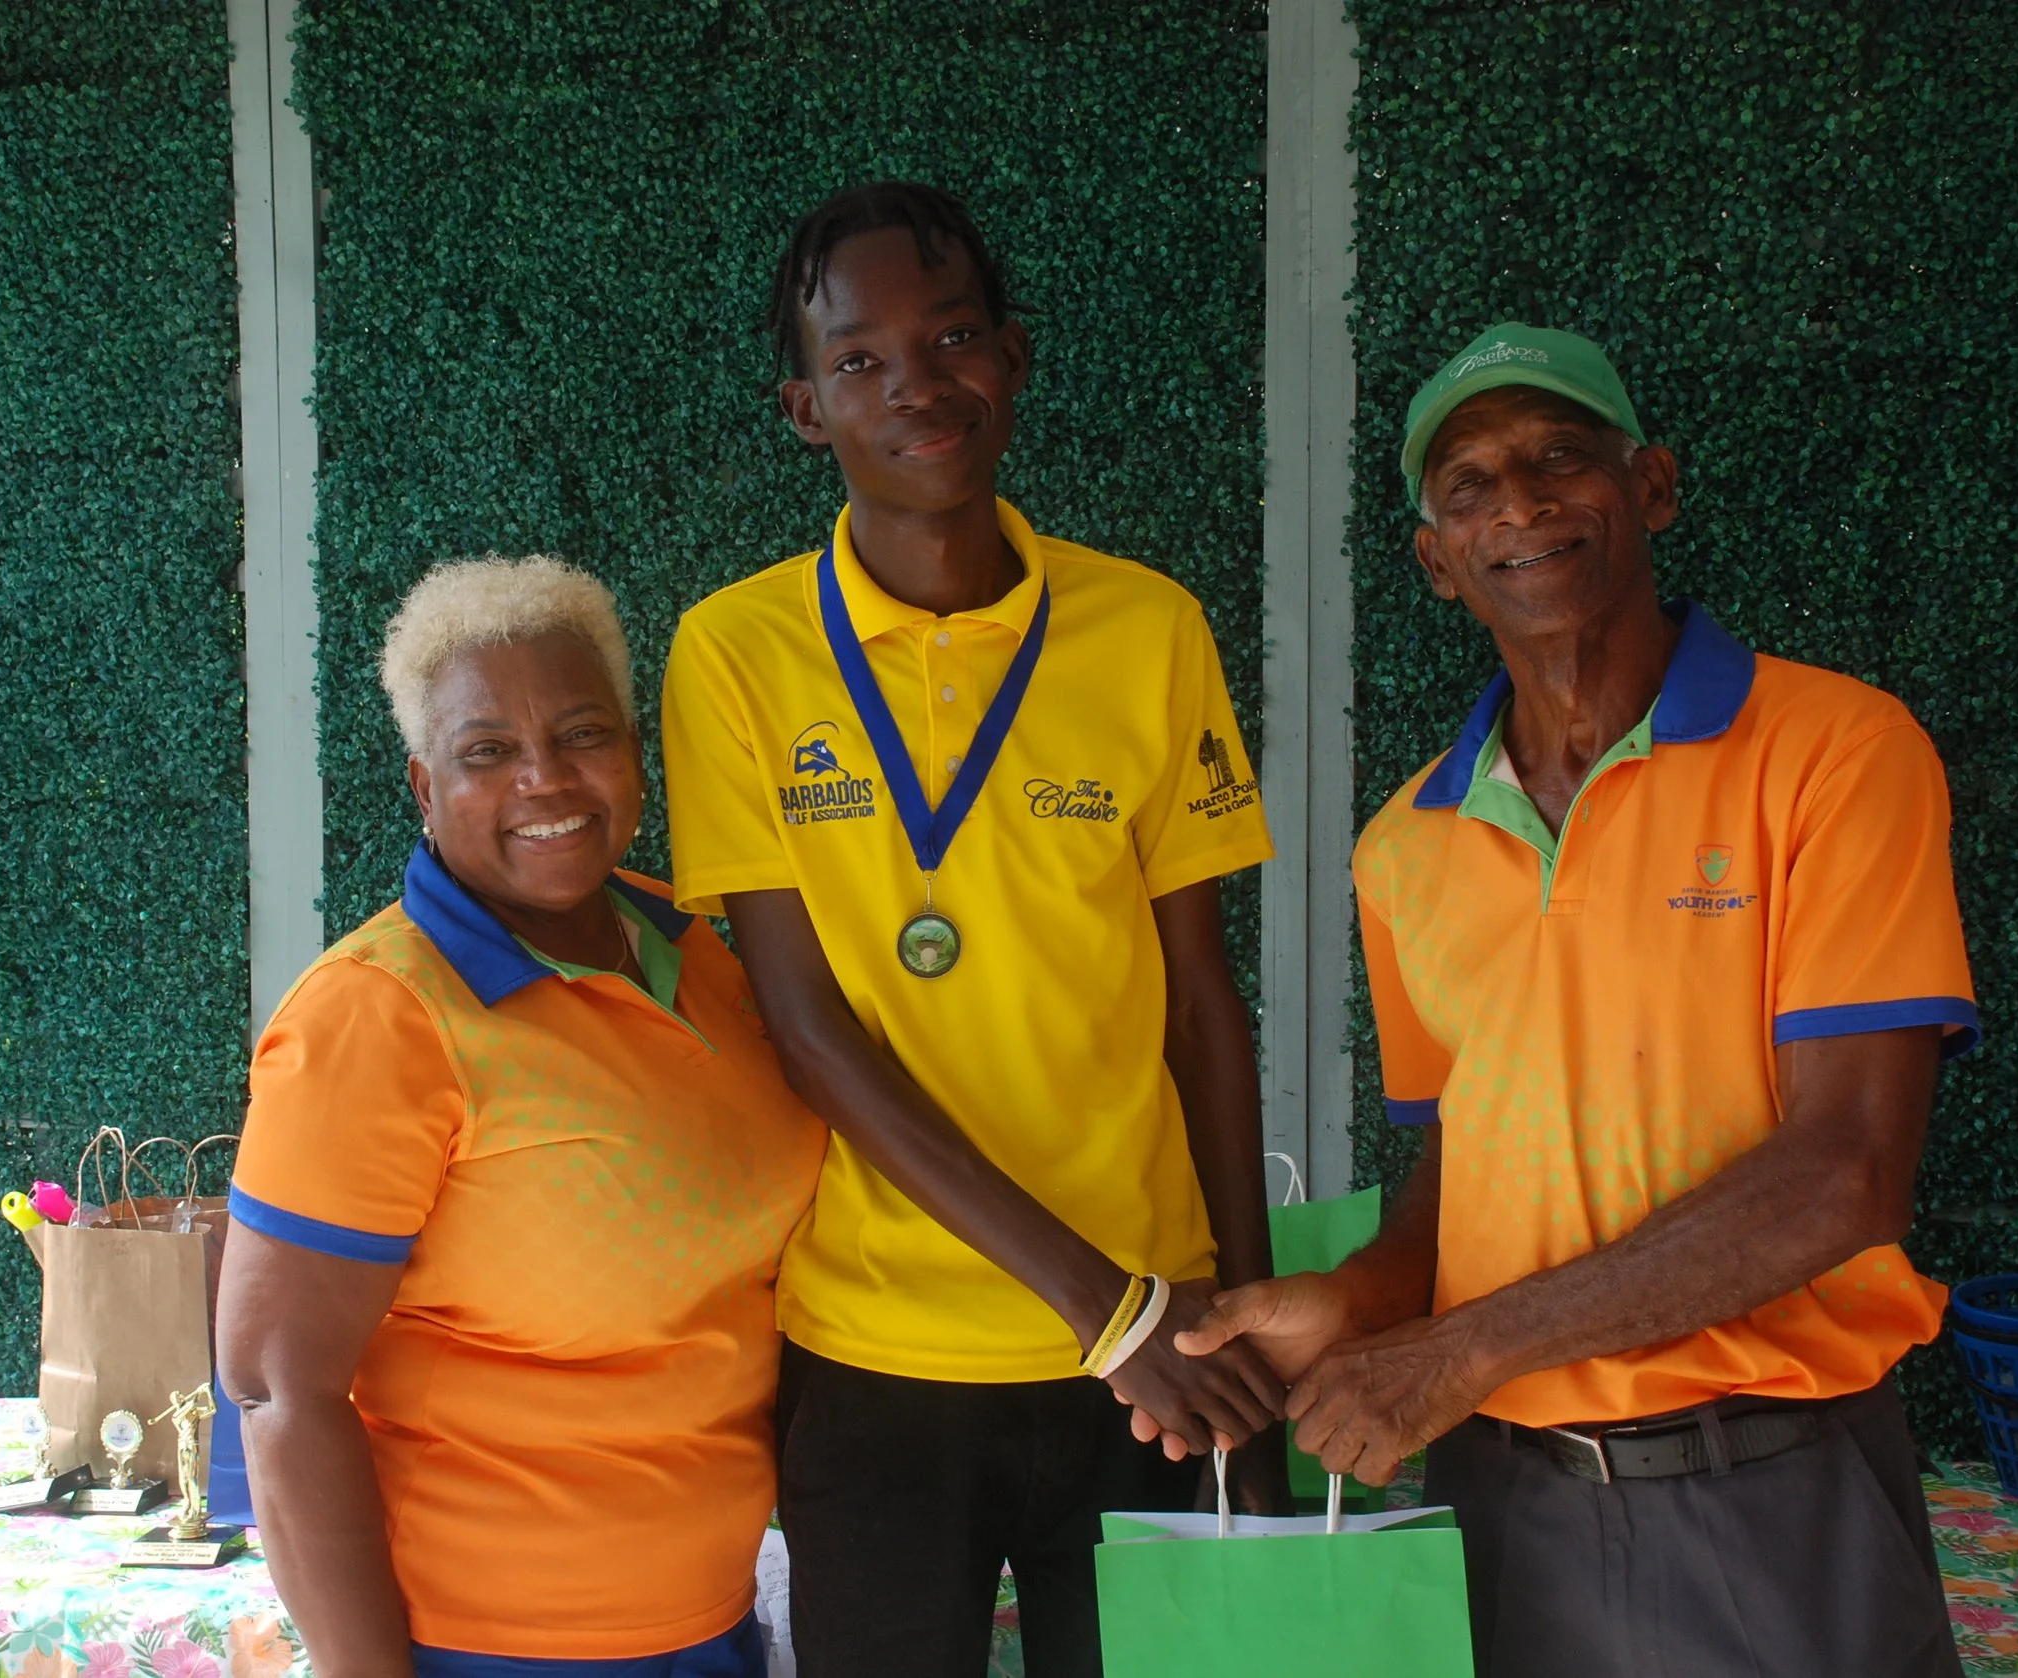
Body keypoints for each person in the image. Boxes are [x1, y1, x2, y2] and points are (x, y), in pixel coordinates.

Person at [1177, 323, 1978, 1677]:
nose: (1524, 503)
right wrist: (1357, 1301)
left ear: (1651, 485)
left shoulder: (1838, 752)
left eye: (1561, 458)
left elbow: (1845, 1172)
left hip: (1772, 1487)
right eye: (1473, 486)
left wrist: (1461, 1348)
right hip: (1505, 1501)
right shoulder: (1405, 846)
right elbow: (1456, 1185)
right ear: (1438, 559)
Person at [658, 181, 1285, 1678]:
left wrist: (1239, 1330)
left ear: (1014, 357)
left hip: (1159, 1353)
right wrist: (1102, 1305)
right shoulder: (735, 653)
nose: (915, 385)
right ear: (804, 408)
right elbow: (809, 1031)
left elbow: (1204, 1005)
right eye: (860, 359)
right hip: (881, 1356)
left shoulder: (1151, 630)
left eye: (948, 340)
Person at [217, 556, 826, 1678]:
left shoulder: (691, 948)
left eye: (583, 733)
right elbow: (275, 1387)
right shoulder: (379, 1014)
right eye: (486, 751)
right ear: (422, 785)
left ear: (635, 754)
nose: (545, 780)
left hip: (709, 1625)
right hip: (484, 1646)